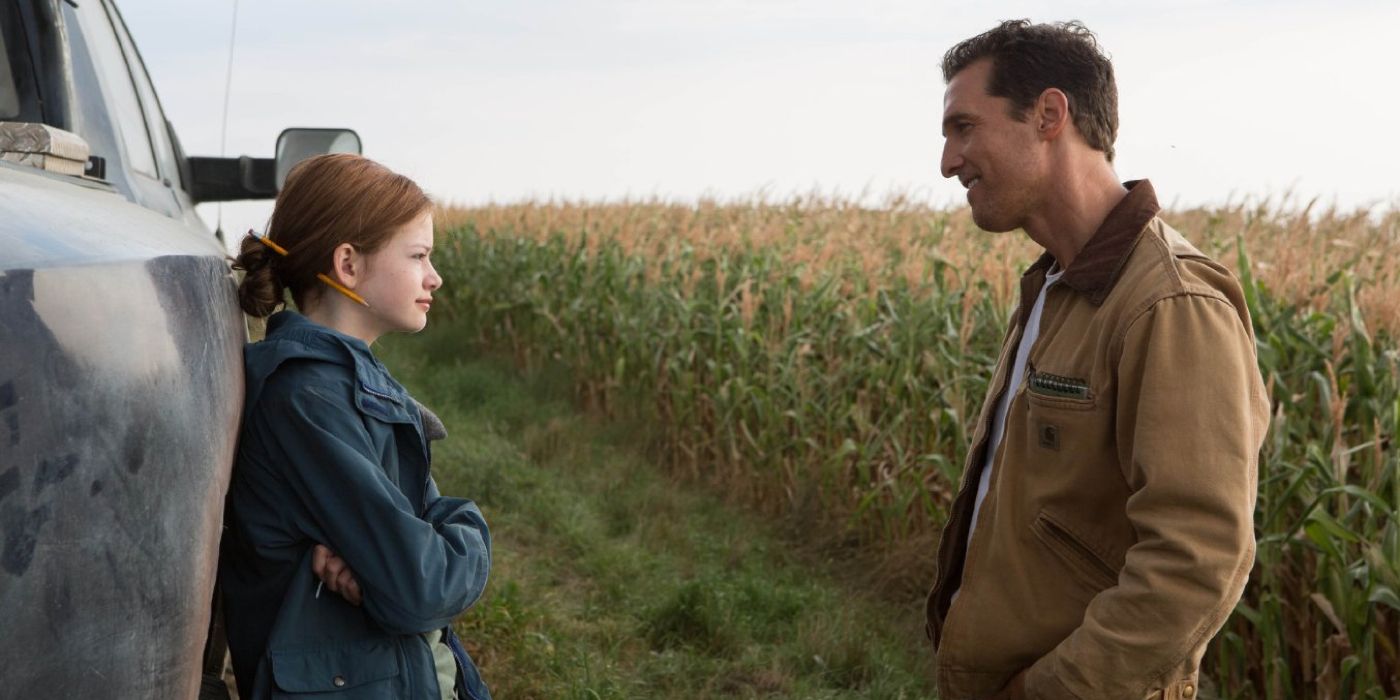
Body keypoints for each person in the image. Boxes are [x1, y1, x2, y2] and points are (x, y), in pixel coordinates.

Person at [924, 20, 1270, 700]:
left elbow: (1194, 563)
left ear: (1049, 115)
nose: (947, 160)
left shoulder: (1169, 304)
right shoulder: (1057, 287)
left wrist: (1050, 690)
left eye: (965, 127)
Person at [220, 153, 492, 699]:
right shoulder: (310, 401)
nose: (434, 278)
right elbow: (424, 583)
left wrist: (405, 554)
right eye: (418, 256)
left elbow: (414, 564)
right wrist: (468, 527)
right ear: (348, 265)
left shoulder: (341, 386)